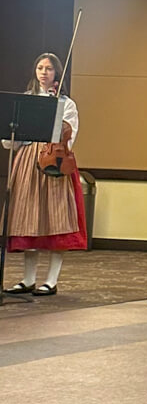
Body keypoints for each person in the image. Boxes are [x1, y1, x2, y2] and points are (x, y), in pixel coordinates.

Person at [3, 53, 87, 296]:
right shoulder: (25, 101)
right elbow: (10, 143)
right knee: (27, 219)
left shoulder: (66, 104)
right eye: (40, 67)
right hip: (27, 162)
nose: (43, 72)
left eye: (49, 69)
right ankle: (28, 279)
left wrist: (55, 115)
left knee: (55, 219)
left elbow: (69, 138)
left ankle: (51, 280)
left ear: (57, 74)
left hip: (55, 163)